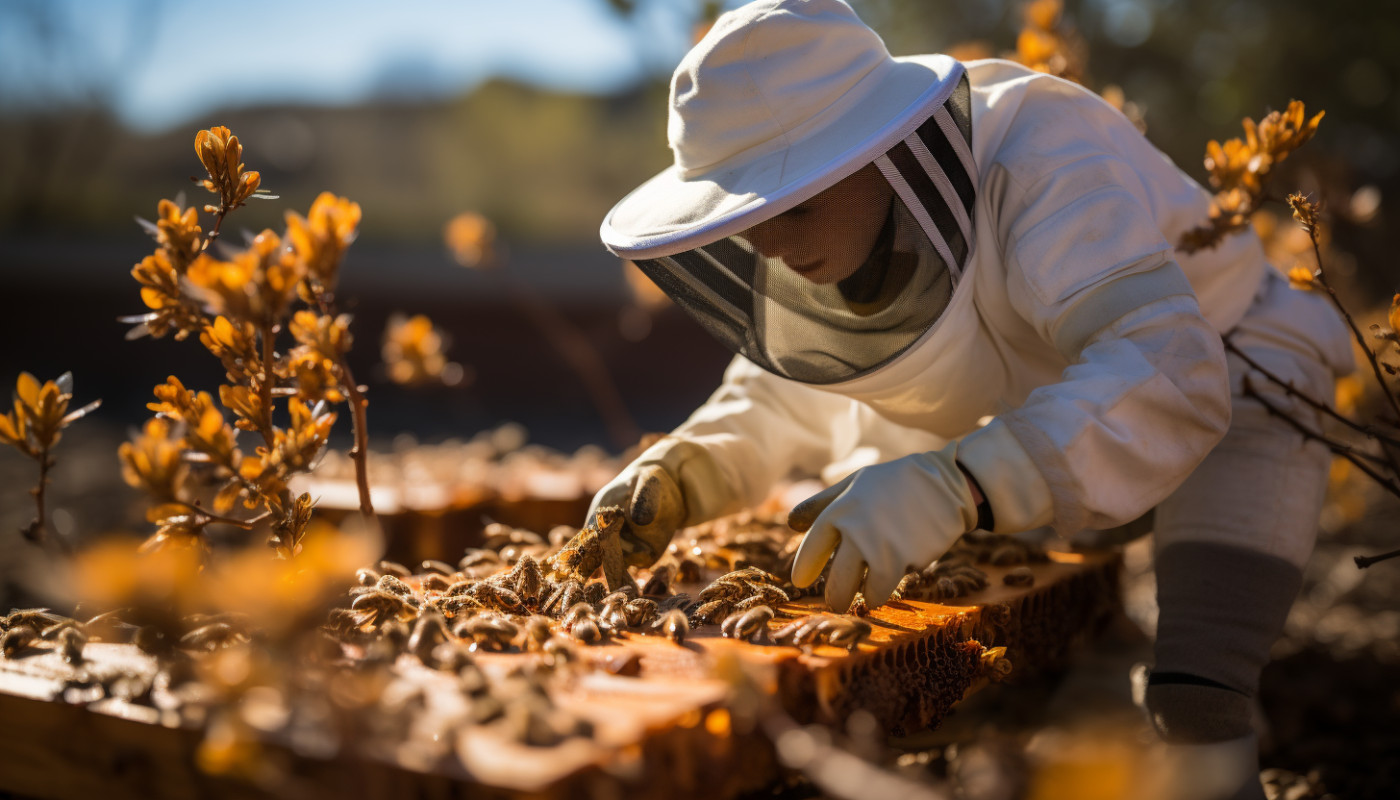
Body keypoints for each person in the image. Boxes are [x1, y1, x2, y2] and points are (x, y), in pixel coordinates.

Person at [588, 1, 1352, 797]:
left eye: (798, 203)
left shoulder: (1044, 156)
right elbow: (786, 394)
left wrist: (961, 485)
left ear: (884, 150)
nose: (772, 246)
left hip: (1236, 367)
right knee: (1033, 642)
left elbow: (1164, 361)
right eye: (748, 223)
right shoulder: (833, 241)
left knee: (1199, 688)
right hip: (1039, 414)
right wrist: (687, 466)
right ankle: (1094, 685)